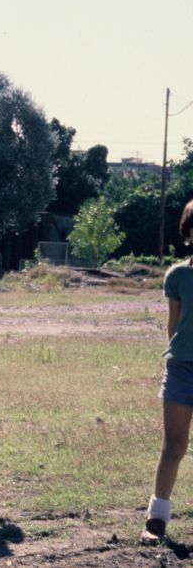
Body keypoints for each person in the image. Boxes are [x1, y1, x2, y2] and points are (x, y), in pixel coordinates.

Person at [142, 199, 193, 544]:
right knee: (173, 447)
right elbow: (172, 327)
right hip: (181, 369)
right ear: (189, 231)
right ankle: (156, 518)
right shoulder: (178, 275)